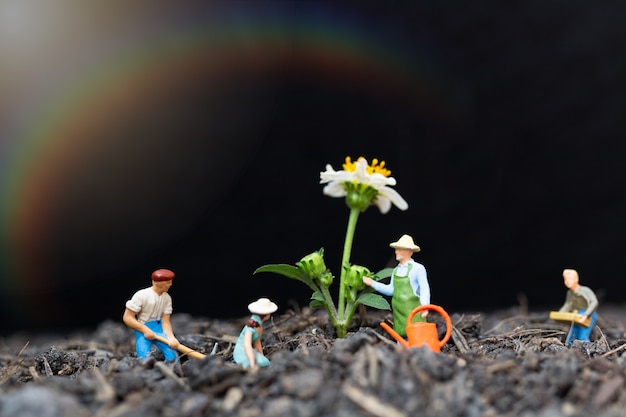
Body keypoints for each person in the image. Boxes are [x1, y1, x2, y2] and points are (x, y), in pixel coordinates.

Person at [363, 234, 430, 338]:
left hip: (413, 310)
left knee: (415, 333)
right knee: (400, 333)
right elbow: (391, 290)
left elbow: (424, 288)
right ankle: (400, 349)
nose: (396, 251)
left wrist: (425, 306)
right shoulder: (396, 270)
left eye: (400, 249)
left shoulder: (418, 268)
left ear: (409, 251)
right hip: (398, 310)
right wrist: (373, 283)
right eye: (396, 249)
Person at [123, 269, 180, 361]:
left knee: (172, 356)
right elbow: (128, 318)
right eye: (168, 282)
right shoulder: (141, 295)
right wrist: (145, 330)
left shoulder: (167, 298)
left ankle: (171, 372)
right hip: (143, 327)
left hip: (159, 327)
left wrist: (171, 337)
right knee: (144, 358)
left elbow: (165, 321)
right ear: (158, 283)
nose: (170, 285)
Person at [233, 298, 278, 371]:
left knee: (265, 361)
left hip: (249, 350)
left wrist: (261, 355)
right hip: (242, 351)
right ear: (265, 314)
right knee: (263, 363)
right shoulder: (250, 328)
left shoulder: (258, 325)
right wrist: (252, 360)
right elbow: (246, 345)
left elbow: (257, 342)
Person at [558, 268, 598, 345]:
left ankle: (588, 352)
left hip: (588, 314)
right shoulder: (570, 292)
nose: (567, 281)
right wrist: (560, 314)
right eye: (566, 279)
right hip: (576, 315)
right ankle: (569, 351)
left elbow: (594, 302)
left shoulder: (585, 290)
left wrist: (586, 315)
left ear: (576, 279)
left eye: (570, 279)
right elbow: (568, 305)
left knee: (582, 336)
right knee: (572, 336)